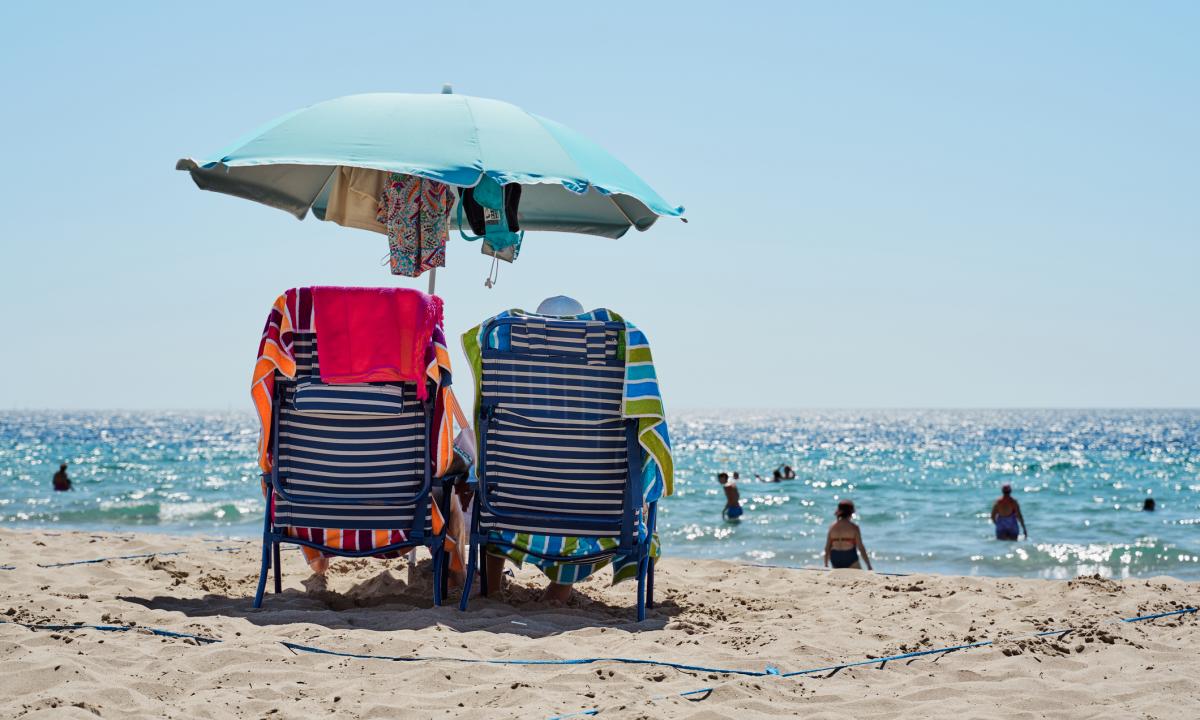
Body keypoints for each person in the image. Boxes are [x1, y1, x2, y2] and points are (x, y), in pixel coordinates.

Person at [824, 499, 872, 570]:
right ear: (851, 513)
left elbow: (827, 547)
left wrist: (826, 564)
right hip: (849, 557)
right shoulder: (854, 527)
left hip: (835, 558)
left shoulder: (832, 527)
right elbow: (861, 547)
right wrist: (868, 565)